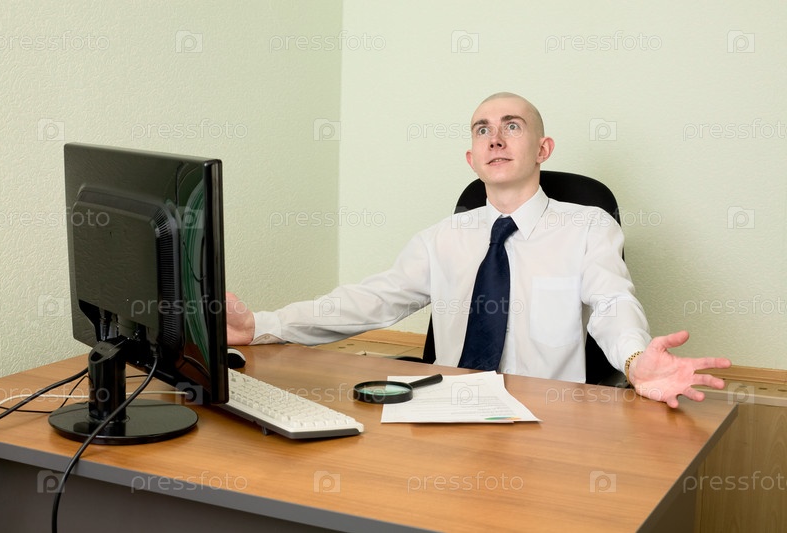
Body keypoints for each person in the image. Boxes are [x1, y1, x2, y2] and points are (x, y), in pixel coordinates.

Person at [226, 92, 731, 408]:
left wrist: (635, 359)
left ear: (543, 148)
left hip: (548, 415)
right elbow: (371, 299)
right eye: (483, 130)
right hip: (445, 406)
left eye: (512, 125)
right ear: (472, 157)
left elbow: (612, 302)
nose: (496, 139)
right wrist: (261, 326)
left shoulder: (588, 226)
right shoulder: (442, 238)